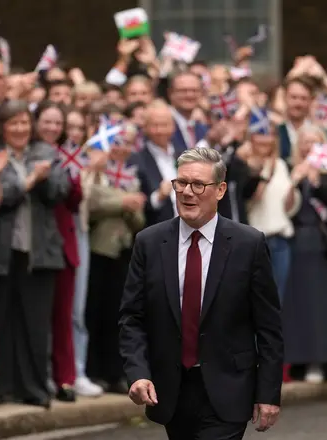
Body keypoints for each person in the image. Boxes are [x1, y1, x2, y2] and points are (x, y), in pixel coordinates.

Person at [119, 147, 283, 439]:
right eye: (180, 183)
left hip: (229, 387)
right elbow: (132, 317)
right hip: (172, 389)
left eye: (198, 185)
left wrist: (268, 392)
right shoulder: (150, 242)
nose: (187, 192)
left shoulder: (249, 244)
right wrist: (138, 372)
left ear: (220, 190)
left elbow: (269, 326)